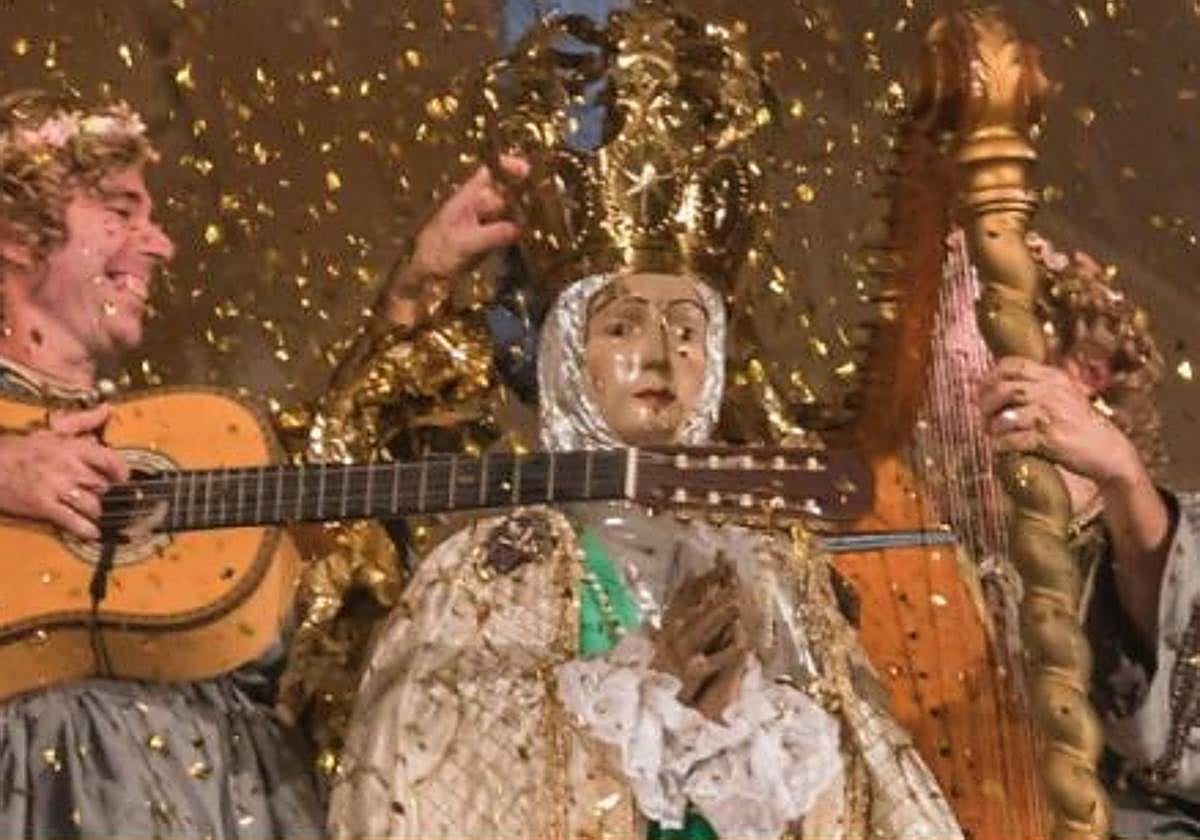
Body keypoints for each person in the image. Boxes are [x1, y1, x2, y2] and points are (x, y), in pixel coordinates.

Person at [327, 6, 962, 838]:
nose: (660, 356)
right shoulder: (488, 574)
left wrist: (738, 726)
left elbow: (875, 802)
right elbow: (434, 799)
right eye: (623, 327)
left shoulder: (778, 570)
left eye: (688, 331)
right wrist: (647, 704)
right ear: (567, 354)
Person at [0, 87, 524, 838]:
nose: (160, 245)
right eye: (120, 211)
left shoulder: (181, 440)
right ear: (19, 235)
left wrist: (419, 284)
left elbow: (330, 467)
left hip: (233, 795)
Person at [978, 237, 1200, 836]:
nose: (934, 352)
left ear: (1085, 371)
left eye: (974, 315)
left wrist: (1125, 481)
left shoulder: (1170, 530)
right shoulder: (929, 540)